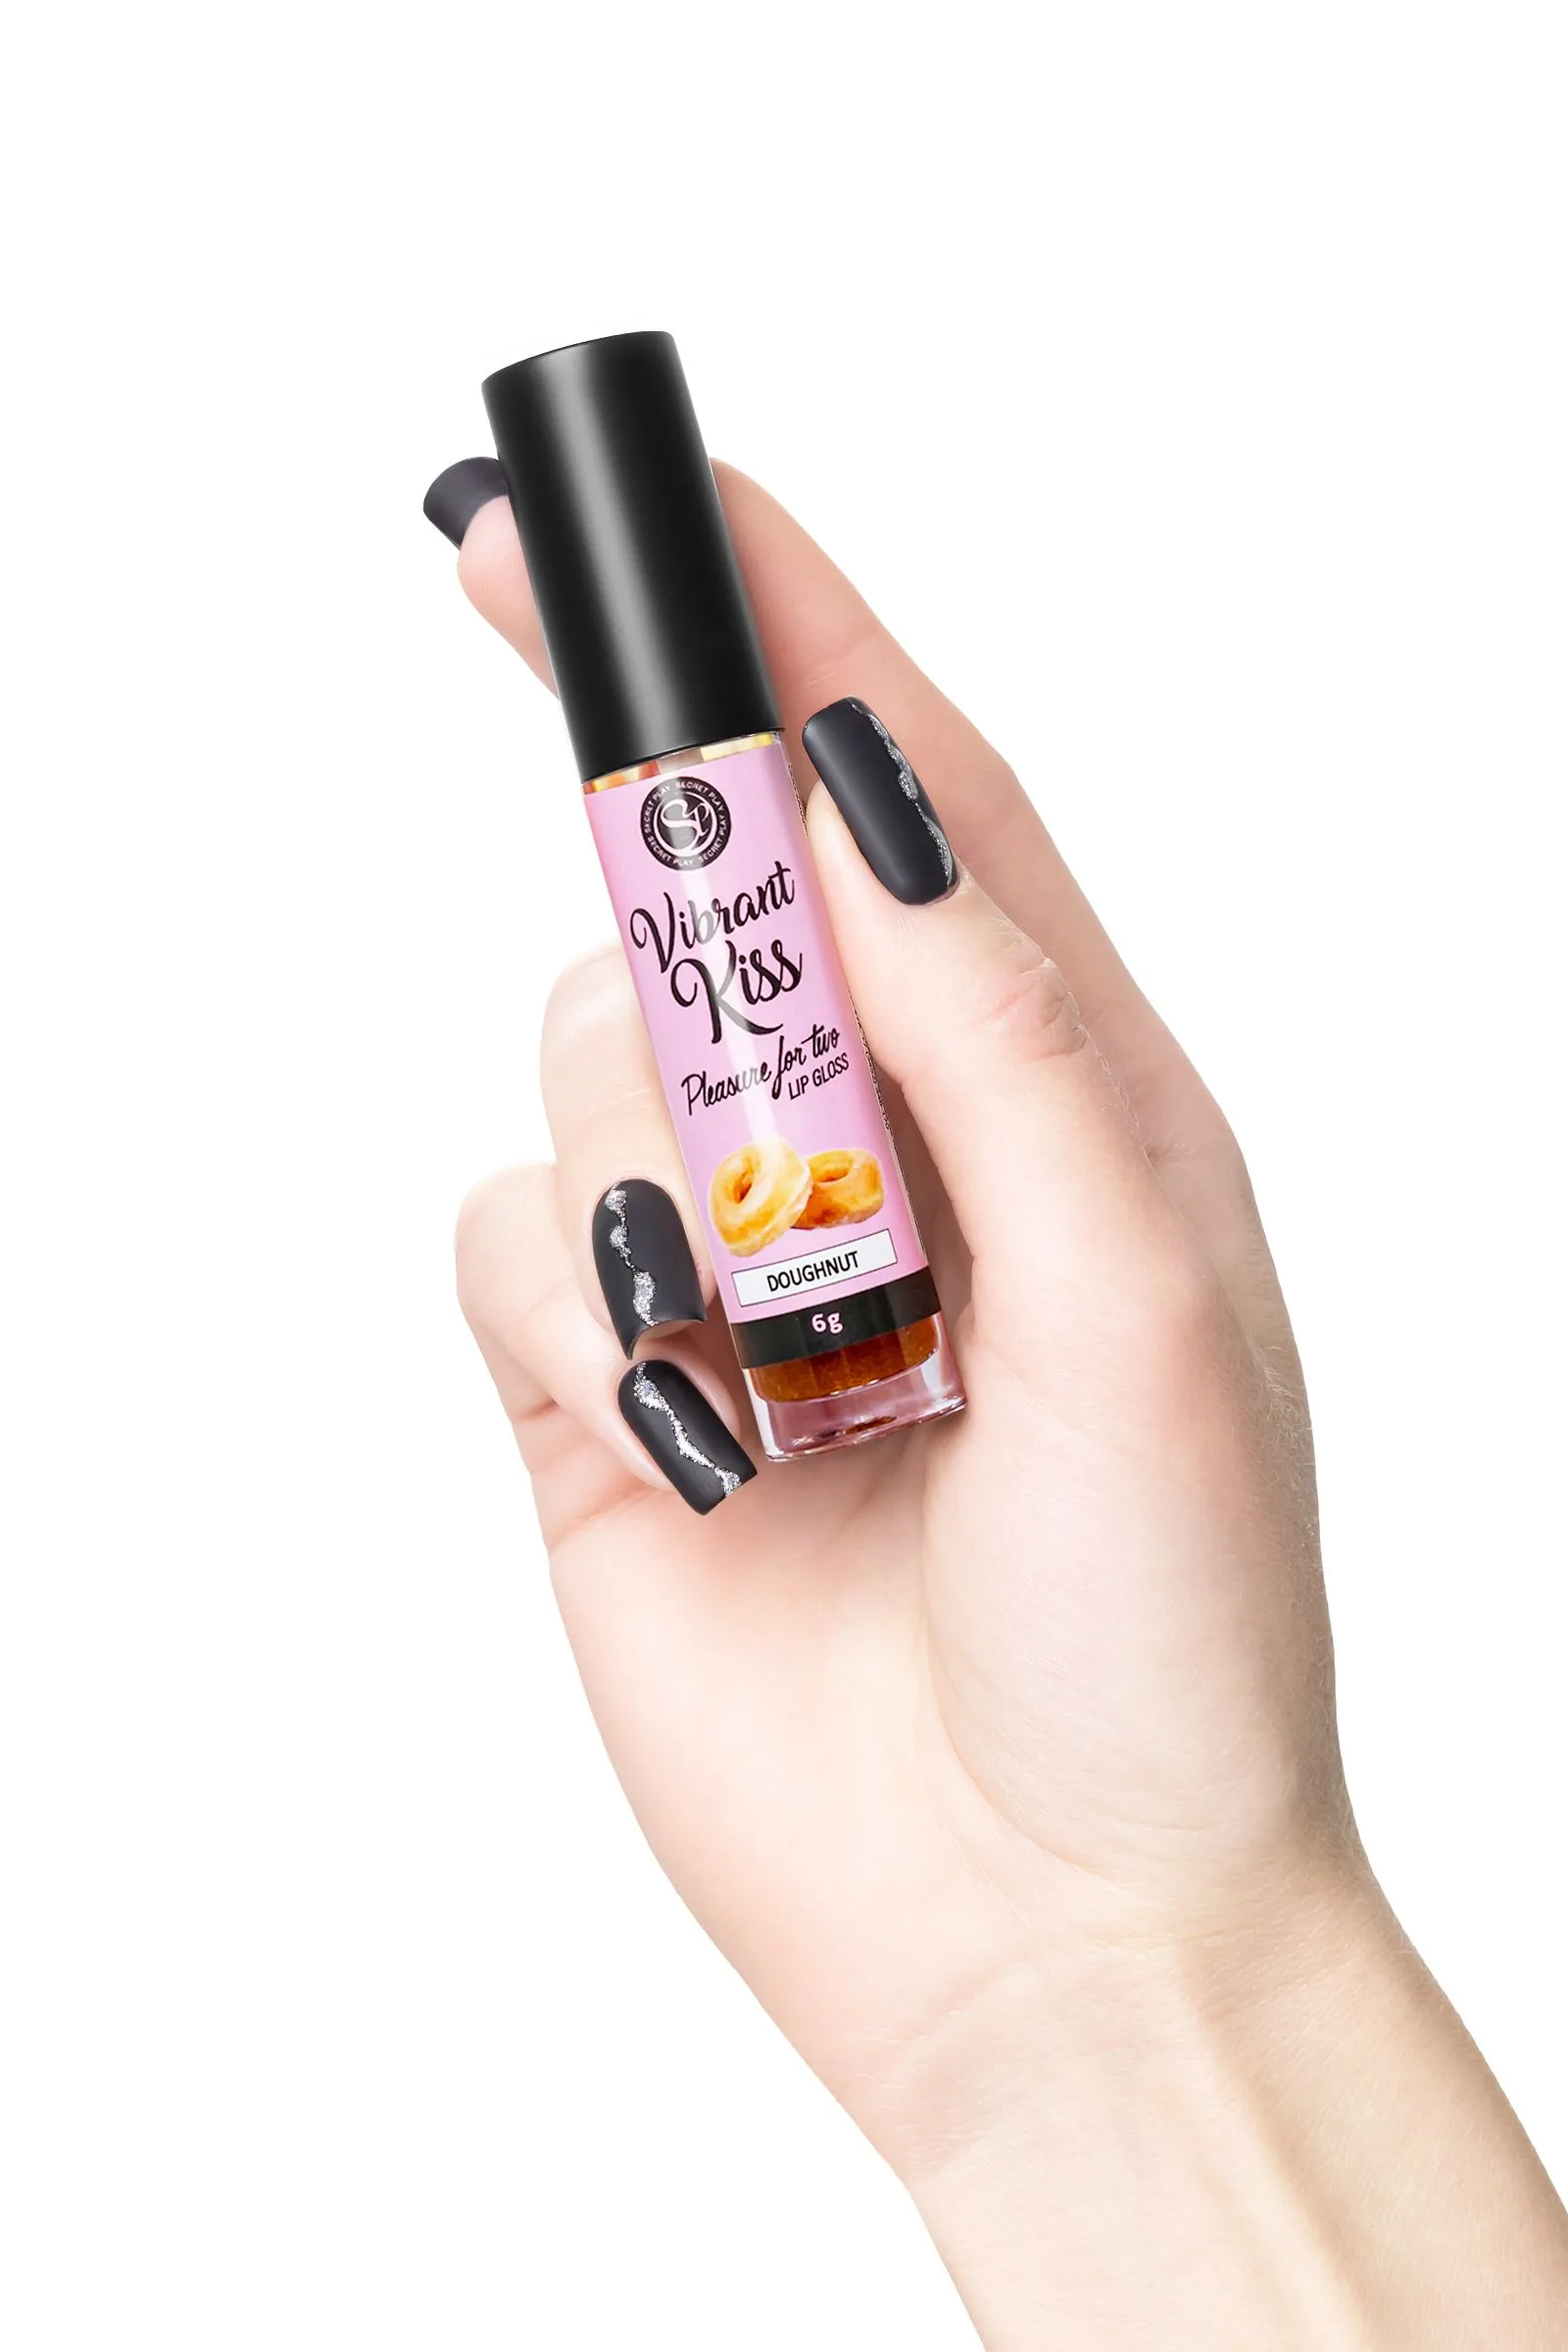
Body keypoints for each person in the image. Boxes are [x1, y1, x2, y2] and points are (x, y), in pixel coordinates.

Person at [424, 458, 1568, 2345]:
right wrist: (1077, 2000)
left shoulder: (727, 789)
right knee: (693, 1024)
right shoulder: (670, 806)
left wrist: (1175, 1929)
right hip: (817, 1414)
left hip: (899, 1358)